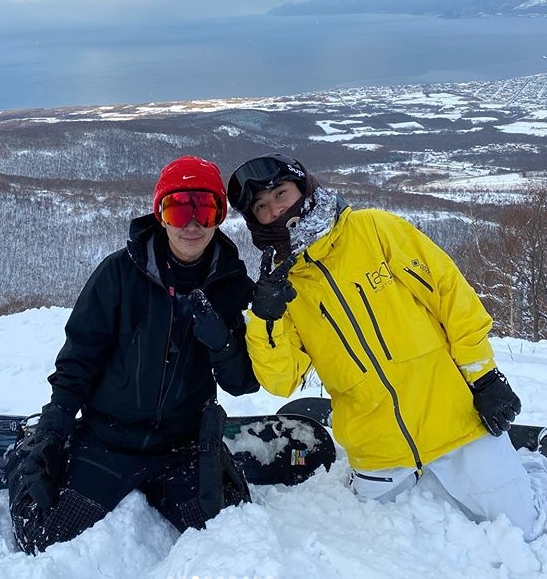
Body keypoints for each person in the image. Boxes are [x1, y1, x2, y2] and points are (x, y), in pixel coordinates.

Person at [226, 152, 547, 540]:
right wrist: (266, 318)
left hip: (454, 420)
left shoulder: (373, 229)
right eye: (262, 206)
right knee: (385, 544)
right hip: (375, 445)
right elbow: (281, 381)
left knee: (524, 530)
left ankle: (521, 466)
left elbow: (451, 298)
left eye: (281, 193)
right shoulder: (282, 286)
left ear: (304, 188)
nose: (276, 208)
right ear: (253, 220)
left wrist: (484, 376)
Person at [5, 156, 259, 554]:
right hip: (108, 438)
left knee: (229, 536)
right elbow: (81, 353)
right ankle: (21, 451)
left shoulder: (233, 286)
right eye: (179, 208)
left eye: (205, 209)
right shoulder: (119, 274)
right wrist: (56, 420)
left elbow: (242, 383)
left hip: (182, 444)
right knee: (42, 536)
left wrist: (222, 343)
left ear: (220, 217)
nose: (191, 223)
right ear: (160, 214)